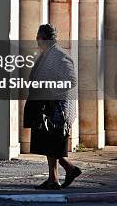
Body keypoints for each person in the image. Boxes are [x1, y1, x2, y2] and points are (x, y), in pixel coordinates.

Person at [23, 24, 81, 190]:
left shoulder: (60, 55)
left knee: (52, 144)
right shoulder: (47, 54)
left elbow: (71, 80)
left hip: (57, 109)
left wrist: (49, 90)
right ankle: (60, 175)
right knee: (49, 144)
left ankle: (58, 177)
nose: (36, 41)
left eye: (38, 38)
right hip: (47, 107)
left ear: (43, 39)